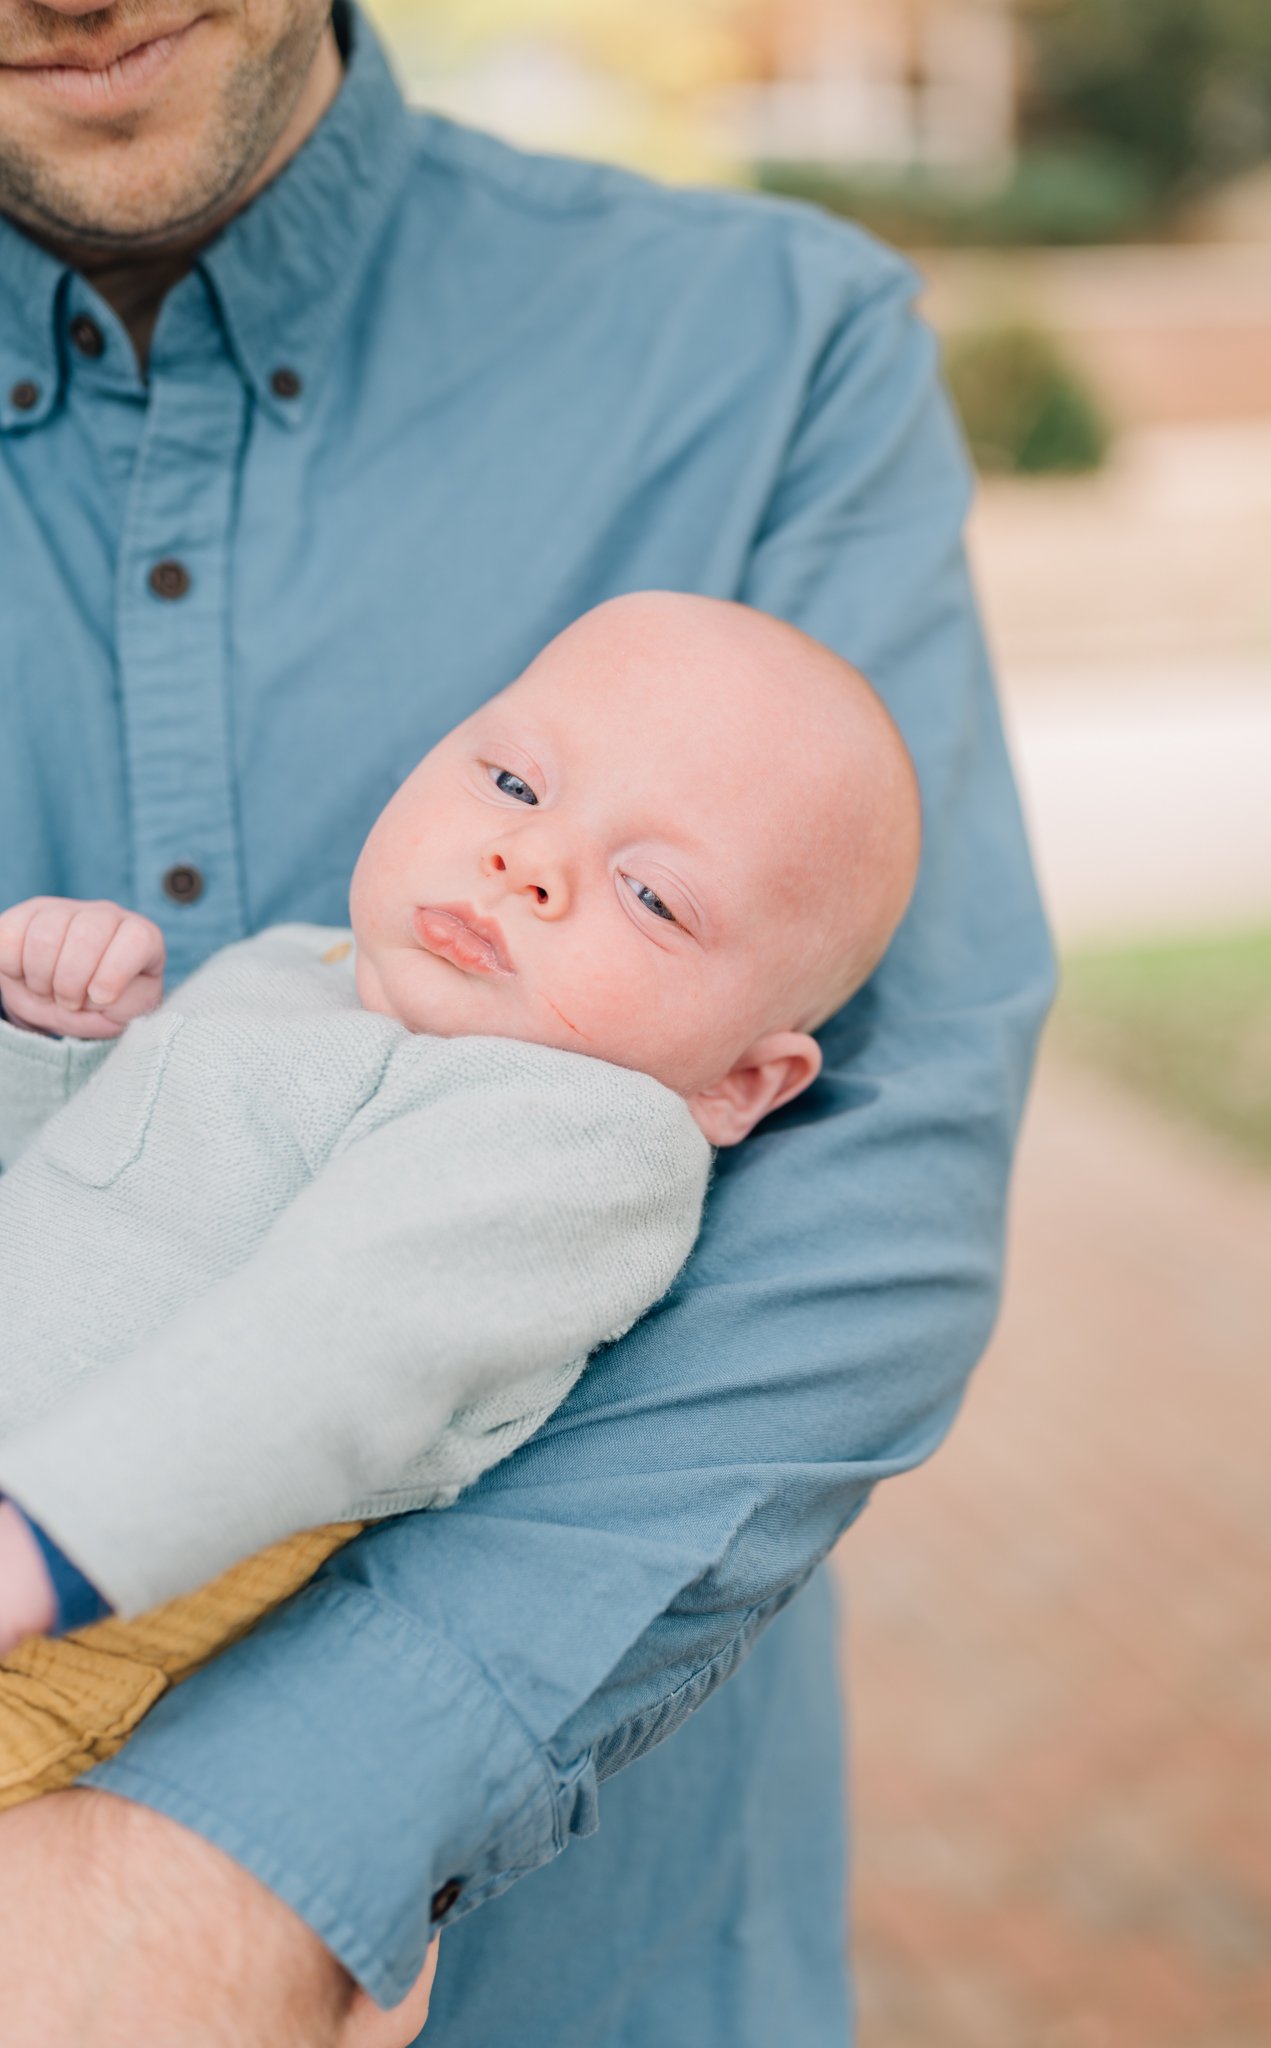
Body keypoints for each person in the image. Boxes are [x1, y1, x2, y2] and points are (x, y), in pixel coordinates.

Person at [0, 0, 1054, 2041]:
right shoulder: (278, 990)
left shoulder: (770, 345)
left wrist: (242, 1854)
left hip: (587, 1970)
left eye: (648, 892)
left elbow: (875, 1193)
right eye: (502, 786)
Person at [0, 593, 917, 1682]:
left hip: (68, 1600)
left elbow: (332, 1352)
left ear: (740, 1080)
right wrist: (54, 1044)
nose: (526, 856)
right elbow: (69, 1206)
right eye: (515, 784)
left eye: (652, 896)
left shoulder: (576, 1138)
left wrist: (37, 1543)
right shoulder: (298, 969)